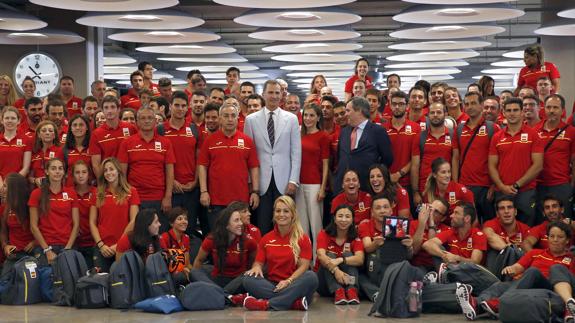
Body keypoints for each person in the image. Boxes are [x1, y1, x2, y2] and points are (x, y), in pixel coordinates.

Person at [455, 221, 574, 321]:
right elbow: (518, 267)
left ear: (567, 240)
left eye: (560, 237)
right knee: (499, 286)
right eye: (552, 236)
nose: (555, 240)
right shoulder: (535, 253)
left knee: (533, 272)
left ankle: (497, 304)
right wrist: (511, 268)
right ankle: (476, 304)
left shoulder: (571, 258)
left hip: (550, 288)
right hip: (526, 284)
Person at [244, 80, 301, 234]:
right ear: (263, 95)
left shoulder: (291, 119)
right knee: (262, 225)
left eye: (277, 92)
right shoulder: (251, 120)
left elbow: (296, 152)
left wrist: (293, 180)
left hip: (285, 181)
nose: (274, 96)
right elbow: (248, 155)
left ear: (282, 95)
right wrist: (251, 182)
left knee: (285, 225)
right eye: (270, 92)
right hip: (261, 181)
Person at [243, 196, 318, 311]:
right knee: (248, 279)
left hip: (294, 283)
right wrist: (256, 268)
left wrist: (288, 281)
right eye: (278, 211)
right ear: (274, 214)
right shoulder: (266, 238)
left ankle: (267, 304)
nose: (281, 214)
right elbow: (258, 263)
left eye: (286, 211)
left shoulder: (303, 238)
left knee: (311, 277)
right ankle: (293, 303)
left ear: (292, 214)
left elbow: (304, 266)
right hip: (272, 285)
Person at [198, 102, 260, 233]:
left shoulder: (247, 141)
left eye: (233, 116)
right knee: (218, 237)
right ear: (220, 118)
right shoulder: (210, 140)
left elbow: (254, 167)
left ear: (238, 118)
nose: (230, 119)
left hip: (241, 200)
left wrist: (255, 191)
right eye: (226, 116)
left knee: (241, 237)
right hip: (216, 200)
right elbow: (202, 166)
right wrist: (204, 191)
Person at [488, 97, 544, 226]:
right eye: (508, 110)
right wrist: (502, 186)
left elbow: (538, 165)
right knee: (502, 229)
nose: (512, 113)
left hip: (525, 191)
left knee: (526, 228)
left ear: (522, 112)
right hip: (501, 192)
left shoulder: (533, 135)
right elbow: (492, 165)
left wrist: (517, 185)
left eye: (515, 110)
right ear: (504, 113)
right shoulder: (497, 137)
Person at [118, 107, 175, 232]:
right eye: (143, 118)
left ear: (155, 121)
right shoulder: (127, 143)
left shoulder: (166, 143)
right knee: (138, 235)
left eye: (150, 118)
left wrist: (168, 197)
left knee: (158, 235)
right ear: (137, 122)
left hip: (159, 199)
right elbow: (122, 173)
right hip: (136, 198)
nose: (147, 121)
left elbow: (170, 172)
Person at [191, 206, 257, 304]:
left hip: (239, 281)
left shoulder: (249, 241)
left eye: (240, 220)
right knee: (194, 272)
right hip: (218, 279)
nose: (241, 223)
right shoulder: (211, 239)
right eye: (236, 220)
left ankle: (217, 295)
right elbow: (199, 260)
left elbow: (254, 264)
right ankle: (227, 296)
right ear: (226, 225)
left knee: (249, 276)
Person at [357, 194, 414, 301]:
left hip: (394, 267)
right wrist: (376, 243)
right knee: (360, 276)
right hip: (374, 267)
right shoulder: (366, 225)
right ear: (372, 213)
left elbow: (409, 256)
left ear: (391, 210)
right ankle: (377, 293)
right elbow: (367, 248)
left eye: (385, 207)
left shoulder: (398, 225)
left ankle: (386, 291)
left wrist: (409, 247)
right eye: (378, 208)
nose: (382, 211)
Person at [334, 97, 393, 193]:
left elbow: (387, 159)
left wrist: (375, 176)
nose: (346, 114)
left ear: (359, 111)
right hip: (342, 189)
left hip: (367, 188)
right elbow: (340, 157)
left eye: (348, 110)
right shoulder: (344, 132)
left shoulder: (378, 131)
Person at [90, 157, 139, 272]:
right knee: (102, 283)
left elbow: (134, 220)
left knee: (123, 283)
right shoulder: (97, 193)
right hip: (102, 248)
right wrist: (101, 245)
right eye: (105, 170)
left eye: (111, 169)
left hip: (124, 246)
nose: (108, 173)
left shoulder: (131, 191)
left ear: (118, 171)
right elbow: (92, 222)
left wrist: (119, 244)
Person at [161, 91, 200, 235]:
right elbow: (159, 161)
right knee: (170, 231)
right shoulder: (160, 129)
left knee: (188, 230)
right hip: (171, 190)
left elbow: (199, 159)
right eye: (176, 105)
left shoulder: (194, 129)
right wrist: (172, 182)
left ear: (187, 107)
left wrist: (195, 181)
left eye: (183, 105)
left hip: (191, 190)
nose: (180, 108)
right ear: (170, 106)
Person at [29, 158, 80, 265]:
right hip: (45, 246)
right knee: (47, 277)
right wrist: (47, 250)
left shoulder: (71, 193)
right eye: (53, 168)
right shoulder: (36, 194)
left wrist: (67, 249)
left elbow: (76, 225)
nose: (57, 171)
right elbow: (34, 226)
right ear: (47, 172)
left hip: (67, 245)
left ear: (64, 172)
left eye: (60, 168)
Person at [459, 92, 499, 222]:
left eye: (474, 103)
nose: (470, 107)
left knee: (488, 224)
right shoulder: (459, 129)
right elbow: (455, 158)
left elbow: (499, 160)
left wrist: (494, 185)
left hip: (486, 187)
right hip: (465, 185)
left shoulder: (492, 128)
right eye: (467, 104)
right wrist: (456, 183)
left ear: (482, 105)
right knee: (467, 224)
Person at [534, 94, 575, 219]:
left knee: (564, 223)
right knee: (540, 222)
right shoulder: (534, 131)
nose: (551, 111)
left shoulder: (571, 132)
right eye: (548, 107)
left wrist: (571, 187)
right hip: (538, 185)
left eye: (555, 108)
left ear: (562, 111)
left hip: (561, 185)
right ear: (543, 109)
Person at [296, 103, 329, 258]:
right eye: (306, 115)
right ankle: (305, 259)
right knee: (301, 225)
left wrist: (323, 188)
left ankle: (318, 259)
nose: (308, 118)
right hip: (298, 184)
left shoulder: (323, 136)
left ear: (318, 118)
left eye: (311, 115)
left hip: (315, 184)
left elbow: (325, 163)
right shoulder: (299, 134)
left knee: (316, 225)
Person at [411, 102, 460, 205]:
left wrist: (455, 186)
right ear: (428, 115)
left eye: (439, 112)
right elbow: (415, 166)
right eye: (432, 112)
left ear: (445, 114)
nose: (435, 115)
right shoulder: (420, 137)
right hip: (425, 188)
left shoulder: (453, 135)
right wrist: (415, 192)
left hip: (446, 187)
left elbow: (455, 161)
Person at [316, 204, 364, 305]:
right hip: (324, 283)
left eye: (347, 216)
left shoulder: (355, 237)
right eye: (340, 216)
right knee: (329, 255)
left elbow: (360, 259)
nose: (343, 220)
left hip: (347, 281)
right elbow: (321, 255)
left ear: (352, 220)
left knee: (348, 255)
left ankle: (352, 291)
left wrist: (341, 260)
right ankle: (338, 291)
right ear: (334, 218)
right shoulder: (324, 234)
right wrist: (335, 270)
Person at [422, 202, 486, 269]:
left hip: (471, 274)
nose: (451, 216)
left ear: (467, 218)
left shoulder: (479, 235)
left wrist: (456, 258)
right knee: (437, 248)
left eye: (456, 213)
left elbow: (475, 262)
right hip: (452, 271)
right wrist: (444, 255)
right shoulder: (451, 232)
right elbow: (427, 244)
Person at [89, 95, 137, 177]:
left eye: (112, 107)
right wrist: (103, 182)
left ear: (118, 109)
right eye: (106, 108)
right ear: (103, 111)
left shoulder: (131, 128)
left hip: (130, 178)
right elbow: (96, 165)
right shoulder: (96, 134)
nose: (109, 111)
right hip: (109, 179)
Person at [0, 173, 35, 275]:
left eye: (5, 186)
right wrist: (5, 246)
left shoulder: (30, 206)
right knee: (4, 284)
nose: (2, 188)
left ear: (14, 189)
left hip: (32, 252)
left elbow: (42, 228)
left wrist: (35, 242)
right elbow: (3, 231)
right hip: (14, 253)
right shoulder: (4, 208)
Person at [410, 199, 450, 272]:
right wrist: (422, 224)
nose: (430, 212)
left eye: (436, 211)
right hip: (418, 266)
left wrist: (431, 222)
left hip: (436, 266)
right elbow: (415, 250)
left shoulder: (447, 230)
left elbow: (430, 246)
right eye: (431, 207)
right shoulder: (413, 224)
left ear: (443, 218)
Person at [72, 161, 96, 268]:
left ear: (89, 174)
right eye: (77, 172)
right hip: (75, 242)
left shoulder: (97, 192)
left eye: (84, 172)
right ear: (73, 175)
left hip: (94, 242)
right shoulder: (68, 193)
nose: (81, 175)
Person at [159, 207, 192, 285]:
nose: (184, 221)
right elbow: (163, 263)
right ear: (171, 223)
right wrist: (182, 269)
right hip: (168, 272)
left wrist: (189, 270)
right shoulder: (164, 237)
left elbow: (187, 262)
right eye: (180, 219)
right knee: (181, 277)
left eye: (185, 219)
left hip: (182, 270)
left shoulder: (186, 238)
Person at [0, 106, 32, 184]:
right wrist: (1, 184)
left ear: (18, 121)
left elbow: (26, 168)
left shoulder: (26, 140)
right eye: (7, 118)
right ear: (2, 120)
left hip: (18, 183)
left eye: (13, 118)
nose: (9, 121)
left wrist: (11, 183)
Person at [29, 120, 63, 188]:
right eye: (44, 131)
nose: (47, 133)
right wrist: (35, 180)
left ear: (54, 135)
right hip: (36, 189)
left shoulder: (61, 151)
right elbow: (29, 176)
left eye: (50, 131)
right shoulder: (34, 152)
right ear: (39, 135)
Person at [64, 114, 92, 187]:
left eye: (81, 125)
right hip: (70, 189)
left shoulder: (93, 147)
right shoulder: (65, 149)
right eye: (74, 125)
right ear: (70, 128)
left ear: (87, 128)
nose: (78, 127)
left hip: (90, 188)